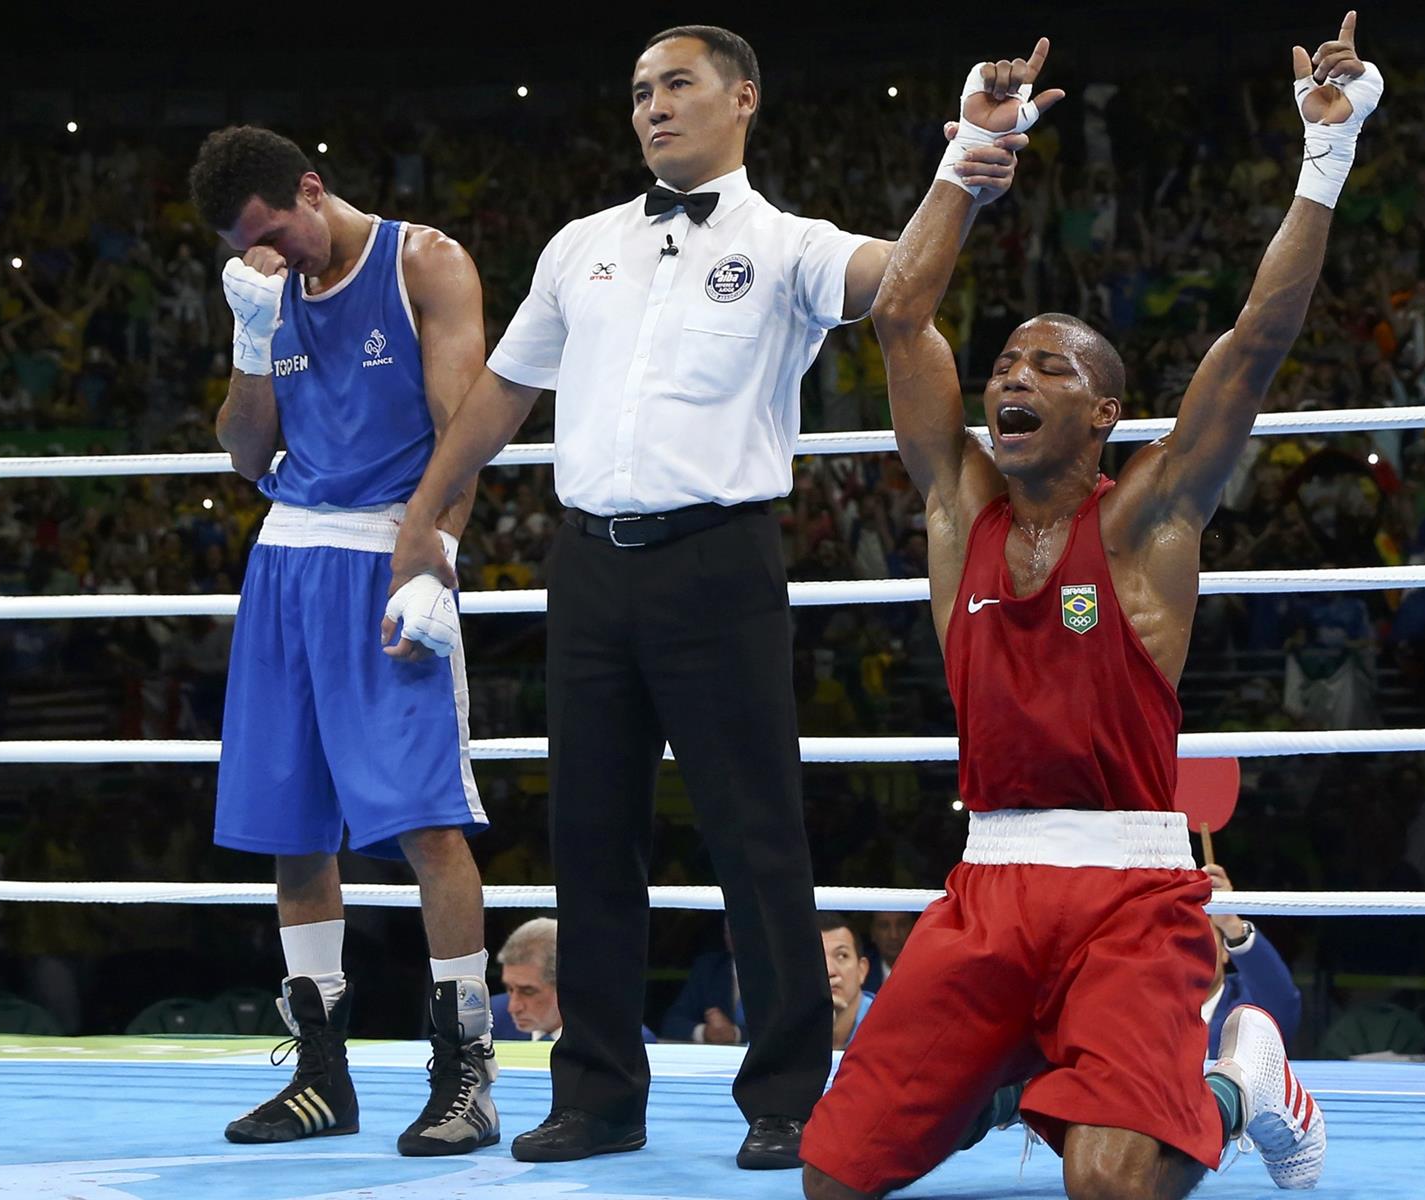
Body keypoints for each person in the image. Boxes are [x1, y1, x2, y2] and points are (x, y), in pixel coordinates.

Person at [393, 24, 1023, 1171]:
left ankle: (787, 1093)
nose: (653, 107)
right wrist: (423, 524)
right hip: (585, 566)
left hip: (720, 560)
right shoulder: (579, 245)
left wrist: (965, 164)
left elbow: (904, 283)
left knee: (755, 832)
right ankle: (595, 1095)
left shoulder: (786, 244)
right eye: (638, 91)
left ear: (744, 98)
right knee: (589, 835)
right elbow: (498, 397)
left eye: (677, 84)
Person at [801, 20, 1382, 1198]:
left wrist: (1329, 154)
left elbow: (1257, 340)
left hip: (1129, 894)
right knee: (834, 1177)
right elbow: (902, 320)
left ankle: (1241, 1080)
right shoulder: (960, 510)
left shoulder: (1151, 518)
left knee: (1107, 1184)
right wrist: (969, 152)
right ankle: (1017, 1076)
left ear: (1106, 412)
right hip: (985, 890)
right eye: (1009, 362)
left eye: (1050, 367)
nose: (1014, 376)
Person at [187, 125, 498, 1158]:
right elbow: (245, 453)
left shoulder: (425, 262)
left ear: (312, 188)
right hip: (284, 559)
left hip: (385, 555)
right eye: (253, 246)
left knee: (425, 818)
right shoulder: (267, 287)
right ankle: (323, 1078)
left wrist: (435, 561)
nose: (278, 254)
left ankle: (468, 1076)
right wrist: (250, 328)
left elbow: (465, 430)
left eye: (281, 232)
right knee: (294, 829)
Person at [493, 917, 658, 1044]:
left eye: (528, 991)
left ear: (568, 985)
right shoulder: (486, 1020)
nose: (513, 1006)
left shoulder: (624, 1040)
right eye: (509, 989)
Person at [1202, 863, 1301, 1056]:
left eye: (1202, 936)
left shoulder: (1248, 1007)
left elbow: (1283, 1003)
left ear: (1225, 952)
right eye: (1180, 941)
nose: (1191, 950)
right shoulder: (1147, 1008)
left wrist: (1230, 923)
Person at [819, 914, 875, 1052]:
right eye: (817, 957)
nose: (830, 971)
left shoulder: (888, 1023)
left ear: (862, 970)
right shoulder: (784, 1027)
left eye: (842, 956)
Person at [862, 909, 915, 993]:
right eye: (884, 926)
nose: (894, 935)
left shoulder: (928, 971)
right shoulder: (861, 975)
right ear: (873, 933)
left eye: (902, 925)